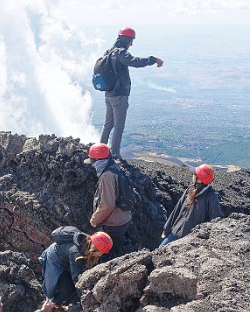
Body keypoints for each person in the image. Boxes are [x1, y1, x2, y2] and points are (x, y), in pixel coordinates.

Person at [100, 27, 163, 158]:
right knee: (119, 126)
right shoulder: (121, 53)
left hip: (109, 94)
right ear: (125, 39)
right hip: (119, 96)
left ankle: (100, 151)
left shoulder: (108, 52)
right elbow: (135, 62)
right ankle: (115, 154)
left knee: (108, 124)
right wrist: (153, 59)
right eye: (131, 41)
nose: (131, 44)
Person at [38, 227, 113, 312]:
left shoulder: (88, 243)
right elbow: (76, 278)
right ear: (95, 249)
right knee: (67, 290)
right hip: (55, 261)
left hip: (66, 259)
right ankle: (51, 305)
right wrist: (86, 298)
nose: (102, 254)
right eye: (101, 252)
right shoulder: (76, 253)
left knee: (72, 288)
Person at [84, 143, 132, 259]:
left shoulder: (106, 176)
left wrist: (94, 221)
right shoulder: (115, 167)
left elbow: (107, 205)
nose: (92, 165)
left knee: (103, 252)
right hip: (123, 218)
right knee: (113, 248)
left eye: (92, 161)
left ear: (96, 160)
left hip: (113, 224)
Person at [159, 164, 224, 248]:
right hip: (176, 232)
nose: (193, 176)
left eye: (195, 175)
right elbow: (177, 209)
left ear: (200, 180)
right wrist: (166, 228)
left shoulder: (211, 197)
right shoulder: (189, 190)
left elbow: (216, 219)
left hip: (190, 239)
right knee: (160, 250)